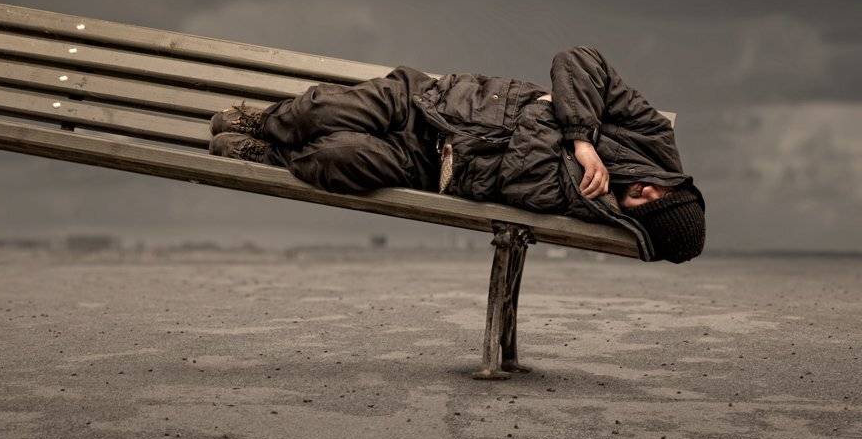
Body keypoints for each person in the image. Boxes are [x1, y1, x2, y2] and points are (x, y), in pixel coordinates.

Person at [208, 46, 706, 263]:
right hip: (438, 101)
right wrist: (579, 137)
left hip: (433, 169)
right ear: (672, 183)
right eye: (656, 189)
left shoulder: (595, 209)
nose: (642, 190)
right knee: (322, 111)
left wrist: (546, 114)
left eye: (644, 204)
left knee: (343, 157)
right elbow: (578, 60)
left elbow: (521, 177)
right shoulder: (653, 140)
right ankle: (267, 124)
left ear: (639, 225)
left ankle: (270, 157)